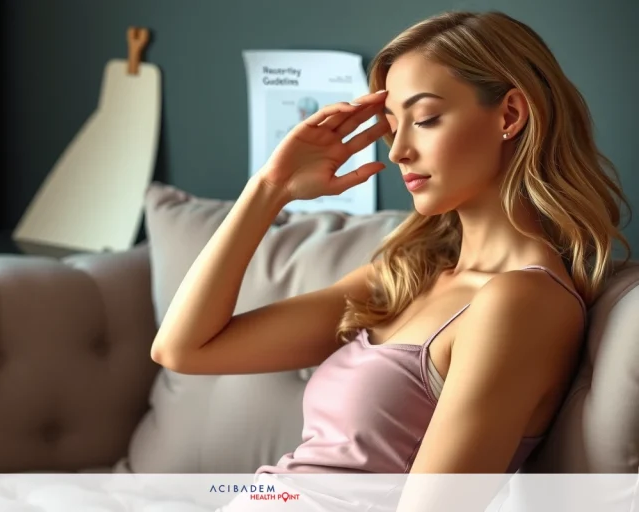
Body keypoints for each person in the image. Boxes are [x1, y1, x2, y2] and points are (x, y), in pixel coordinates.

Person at [150, 9, 632, 511]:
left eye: (424, 119)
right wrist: (270, 189)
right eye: (392, 126)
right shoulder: (407, 275)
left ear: (509, 115)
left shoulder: (522, 300)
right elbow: (184, 349)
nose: (399, 150)